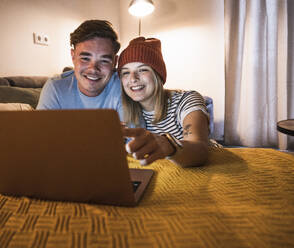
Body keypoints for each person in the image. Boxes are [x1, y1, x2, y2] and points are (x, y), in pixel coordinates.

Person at [118, 37, 209, 167]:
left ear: (158, 74)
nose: (133, 79)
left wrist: (169, 146)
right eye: (125, 73)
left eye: (142, 70)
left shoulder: (186, 99)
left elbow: (200, 149)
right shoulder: (122, 111)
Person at [37, 20, 122, 118]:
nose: (93, 69)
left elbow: (133, 132)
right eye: (85, 59)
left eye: (104, 60)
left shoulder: (124, 86)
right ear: (73, 56)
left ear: (115, 62)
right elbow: (41, 132)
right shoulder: (55, 88)